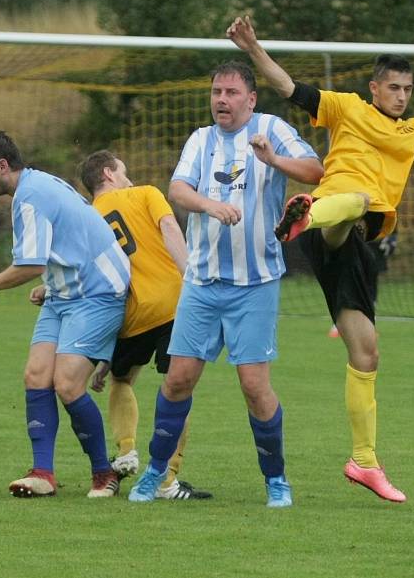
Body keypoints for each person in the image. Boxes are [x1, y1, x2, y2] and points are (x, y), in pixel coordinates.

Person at [227, 5, 414, 503]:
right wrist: (253, 49)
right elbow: (290, 88)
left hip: (358, 242)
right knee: (356, 202)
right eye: (394, 88)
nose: (402, 97)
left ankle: (364, 461)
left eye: (408, 89)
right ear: (375, 88)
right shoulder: (347, 109)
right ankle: (306, 215)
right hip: (330, 219)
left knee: (366, 353)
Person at [127, 61, 323, 507]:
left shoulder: (271, 128)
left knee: (254, 385)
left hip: (255, 284)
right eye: (217, 91)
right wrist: (211, 206)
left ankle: (276, 479)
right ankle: (156, 472)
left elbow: (315, 170)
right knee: (178, 380)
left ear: (251, 100)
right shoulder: (200, 139)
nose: (222, 99)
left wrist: (272, 160)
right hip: (201, 282)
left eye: (232, 92)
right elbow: (177, 190)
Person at [0, 131, 130, 499]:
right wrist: (53, 283)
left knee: (67, 384)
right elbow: (65, 246)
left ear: (1, 166)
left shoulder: (30, 198)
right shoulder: (36, 184)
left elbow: (30, 263)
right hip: (65, 292)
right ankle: (42, 474)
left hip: (99, 292)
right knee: (36, 374)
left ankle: (104, 474)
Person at [78, 149, 211, 500]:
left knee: (121, 380)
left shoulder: (86, 217)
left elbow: (88, 274)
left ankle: (126, 451)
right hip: (172, 303)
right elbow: (169, 227)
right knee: (179, 388)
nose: (128, 176)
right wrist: (190, 276)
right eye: (123, 171)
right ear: (108, 173)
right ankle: (168, 480)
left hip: (129, 314)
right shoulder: (147, 193)